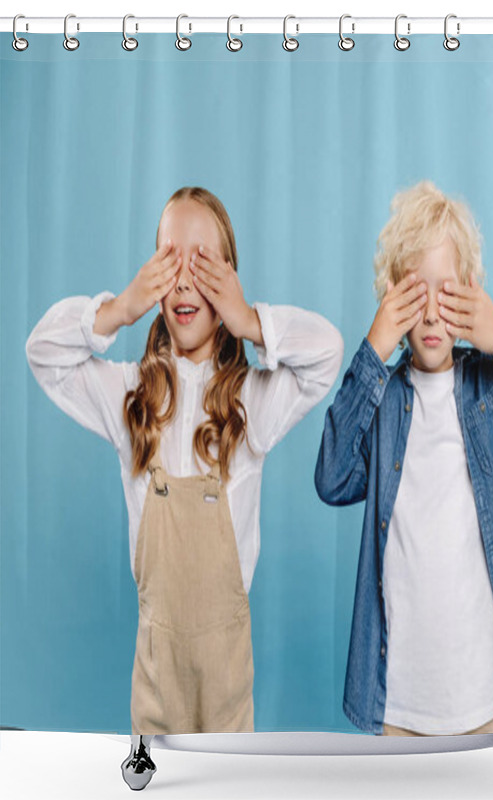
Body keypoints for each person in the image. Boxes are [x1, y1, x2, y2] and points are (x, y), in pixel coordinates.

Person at [26, 186, 344, 742]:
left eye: (203, 263)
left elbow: (327, 353)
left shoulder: (251, 403)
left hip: (226, 684)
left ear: (229, 279)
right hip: (155, 682)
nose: (183, 280)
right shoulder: (131, 398)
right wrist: (118, 310)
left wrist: (249, 321)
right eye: (169, 260)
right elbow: (43, 354)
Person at [314, 181, 493, 736]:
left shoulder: (492, 398)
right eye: (416, 294)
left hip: (473, 697)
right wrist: (372, 351)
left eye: (448, 293)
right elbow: (332, 478)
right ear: (392, 297)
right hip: (394, 700)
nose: (433, 314)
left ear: (471, 290)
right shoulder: (386, 401)